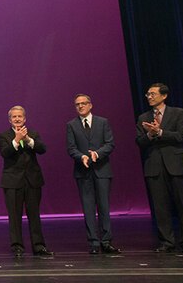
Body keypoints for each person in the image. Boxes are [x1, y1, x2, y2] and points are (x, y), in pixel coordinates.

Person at [136, 83, 183, 254]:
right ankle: (166, 241)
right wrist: (150, 134)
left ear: (164, 95)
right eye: (147, 94)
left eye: (153, 94)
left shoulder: (178, 113)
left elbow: (182, 135)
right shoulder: (143, 117)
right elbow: (139, 142)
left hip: (176, 165)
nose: (149, 97)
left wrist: (160, 132)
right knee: (160, 207)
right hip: (154, 166)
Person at [66, 94, 121, 254]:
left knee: (104, 206)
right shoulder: (71, 125)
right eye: (77, 104)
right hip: (82, 172)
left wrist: (97, 153)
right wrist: (81, 156)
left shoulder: (103, 122)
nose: (80, 106)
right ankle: (94, 243)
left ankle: (106, 241)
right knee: (88, 208)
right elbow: (71, 148)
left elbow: (110, 143)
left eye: (83, 103)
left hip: (102, 170)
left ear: (90, 105)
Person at [0, 106, 53, 257]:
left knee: (34, 215)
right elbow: (5, 153)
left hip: (32, 181)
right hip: (12, 182)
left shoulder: (33, 134)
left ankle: (39, 246)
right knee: (14, 216)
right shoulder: (3, 136)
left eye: (19, 116)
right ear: (10, 120)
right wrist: (16, 140)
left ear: (25, 119)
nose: (17, 119)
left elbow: (42, 149)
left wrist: (27, 139)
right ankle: (17, 247)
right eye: (14, 117)